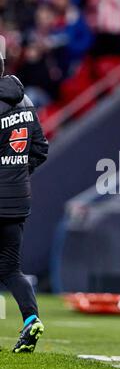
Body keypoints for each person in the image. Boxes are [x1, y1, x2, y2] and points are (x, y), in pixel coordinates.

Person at [0, 54, 48, 353]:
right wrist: (15, 172)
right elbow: (41, 148)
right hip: (17, 199)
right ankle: (31, 319)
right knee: (10, 269)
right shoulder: (26, 103)